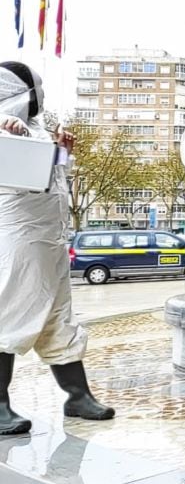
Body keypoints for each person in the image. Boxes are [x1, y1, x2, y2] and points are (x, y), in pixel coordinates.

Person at [0, 61, 115, 436]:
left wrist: (61, 149)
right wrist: (10, 136)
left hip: (50, 239)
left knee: (58, 317)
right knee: (9, 314)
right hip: (17, 240)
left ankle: (77, 396)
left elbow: (52, 177)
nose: (42, 98)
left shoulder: (35, 129)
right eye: (37, 90)